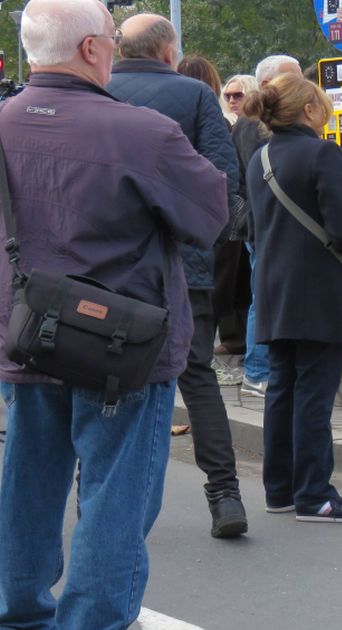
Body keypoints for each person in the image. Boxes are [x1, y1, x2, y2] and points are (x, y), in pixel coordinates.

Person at [0, 0, 227, 626]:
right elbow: (212, 216)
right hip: (121, 342)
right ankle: (92, 621)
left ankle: (18, 613)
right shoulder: (142, 131)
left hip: (24, 333)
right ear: (93, 49)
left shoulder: (3, 123)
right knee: (114, 501)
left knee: (27, 486)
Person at [108, 13, 248, 537]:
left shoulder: (96, 90)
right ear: (169, 51)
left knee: (107, 375)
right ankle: (225, 494)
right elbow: (221, 179)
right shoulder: (194, 97)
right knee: (197, 375)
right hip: (184, 264)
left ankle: (100, 496)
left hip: (109, 267)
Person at [243, 74, 342, 523]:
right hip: (319, 289)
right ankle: (315, 495)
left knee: (282, 390)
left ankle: (279, 490)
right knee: (315, 394)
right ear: (311, 110)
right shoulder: (322, 152)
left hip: (273, 286)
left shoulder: (260, 156)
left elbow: (255, 227)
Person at [233, 54, 303, 399]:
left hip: (266, 224)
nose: (299, 87)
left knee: (266, 296)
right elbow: (261, 174)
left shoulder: (258, 124)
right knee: (264, 297)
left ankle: (263, 370)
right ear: (265, 85)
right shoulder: (253, 125)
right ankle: (258, 371)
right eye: (291, 79)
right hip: (265, 225)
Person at [179, 57, 251, 363]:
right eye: (228, 95)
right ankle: (211, 344)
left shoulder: (164, 114)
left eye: (238, 95)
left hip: (181, 211)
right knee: (220, 281)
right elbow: (226, 170)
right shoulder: (212, 120)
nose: (232, 100)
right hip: (215, 212)